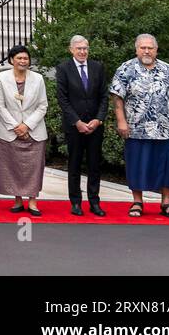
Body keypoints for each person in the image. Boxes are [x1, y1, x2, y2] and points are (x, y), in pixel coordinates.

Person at [110, 34, 169, 221]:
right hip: (136, 130)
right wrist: (121, 121)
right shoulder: (126, 69)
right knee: (136, 165)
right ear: (136, 49)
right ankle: (137, 202)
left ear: (156, 50)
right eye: (142, 48)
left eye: (150, 48)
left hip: (166, 130)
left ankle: (166, 204)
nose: (146, 51)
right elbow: (117, 98)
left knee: (166, 166)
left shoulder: (168, 70)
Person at [55, 34, 108, 216]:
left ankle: (94, 202)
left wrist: (98, 119)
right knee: (74, 164)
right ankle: (76, 202)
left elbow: (103, 97)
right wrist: (76, 121)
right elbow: (62, 99)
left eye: (85, 48)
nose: (82, 52)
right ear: (71, 50)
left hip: (95, 126)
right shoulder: (63, 69)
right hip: (74, 126)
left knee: (94, 165)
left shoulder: (97, 67)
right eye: (79, 48)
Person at [0, 44, 48, 215]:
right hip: (9, 131)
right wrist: (16, 126)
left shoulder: (38, 78)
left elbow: (42, 105)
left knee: (34, 168)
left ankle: (32, 201)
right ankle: (17, 200)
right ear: (11, 60)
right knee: (12, 166)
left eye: (25, 58)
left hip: (34, 131)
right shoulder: (1, 78)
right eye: (19, 58)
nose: (23, 61)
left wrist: (27, 125)